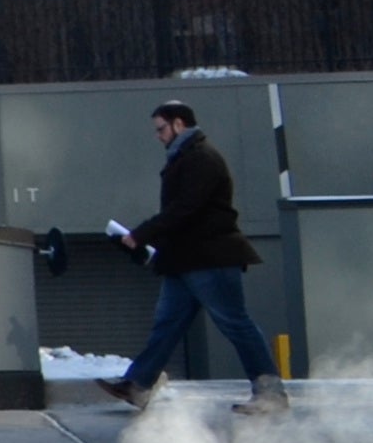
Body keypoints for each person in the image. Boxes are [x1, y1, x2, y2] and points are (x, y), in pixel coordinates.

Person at [106, 99, 283, 414]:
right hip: (187, 260)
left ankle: (270, 394)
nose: (158, 136)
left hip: (210, 257)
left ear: (179, 125)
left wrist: (141, 234)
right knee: (168, 324)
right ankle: (138, 386)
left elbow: (185, 209)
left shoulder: (201, 158)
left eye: (161, 129)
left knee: (235, 323)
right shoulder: (186, 157)